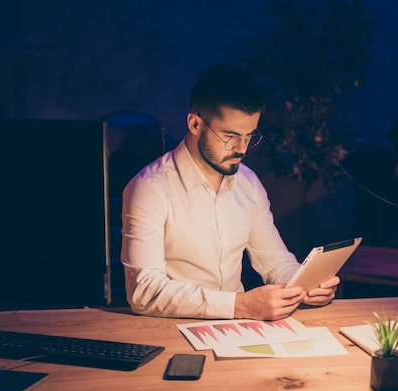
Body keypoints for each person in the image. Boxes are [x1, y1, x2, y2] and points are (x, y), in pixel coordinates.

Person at [121, 64, 339, 320]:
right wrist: (239, 305)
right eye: (230, 136)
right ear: (195, 123)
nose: (241, 149)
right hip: (172, 328)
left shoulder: (248, 182)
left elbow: (273, 260)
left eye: (249, 136)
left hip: (238, 330)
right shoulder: (150, 188)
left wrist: (303, 284)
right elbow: (144, 291)